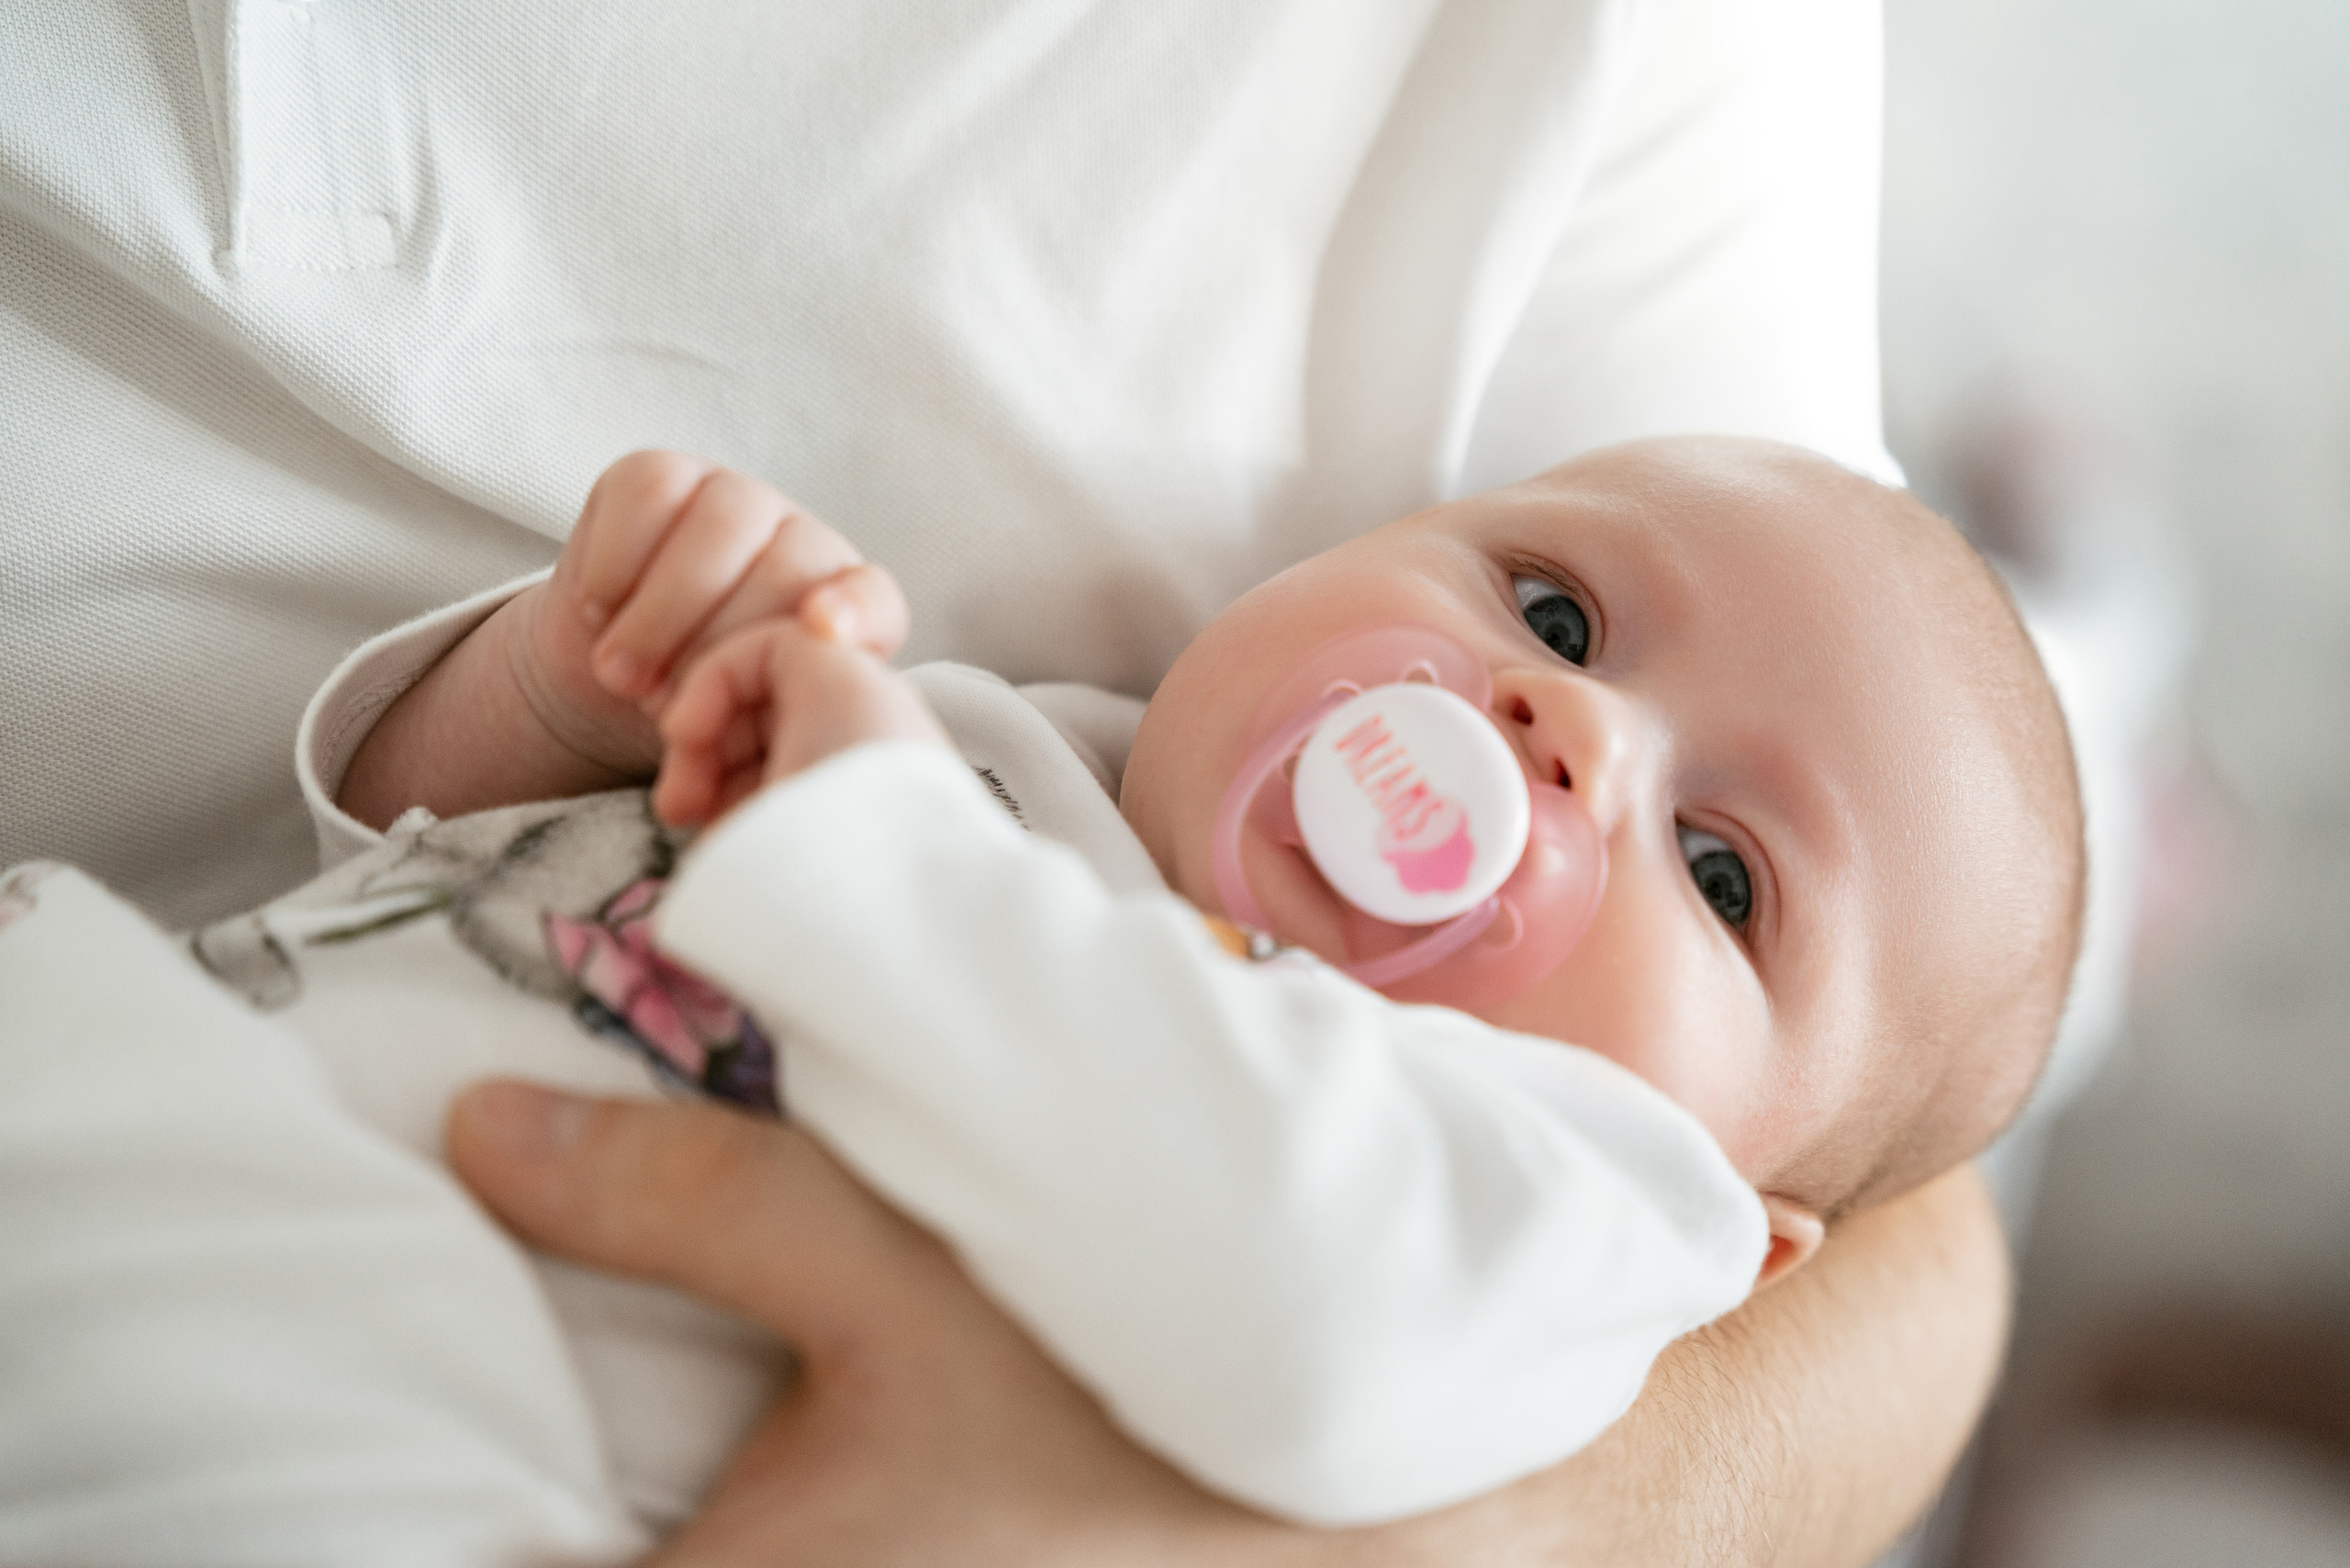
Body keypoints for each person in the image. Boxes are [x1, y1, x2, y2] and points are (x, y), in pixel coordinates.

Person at [0, 2, 2015, 1562]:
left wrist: (868, 831)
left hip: (377, 1434)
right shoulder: (1028, 738)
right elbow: (414, 875)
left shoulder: (1552, 1209)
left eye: (1723, 876)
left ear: (1731, 1242)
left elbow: (1311, 1318)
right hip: (150, 1047)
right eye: (1554, 616)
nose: (1564, 731)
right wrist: (539, 695)